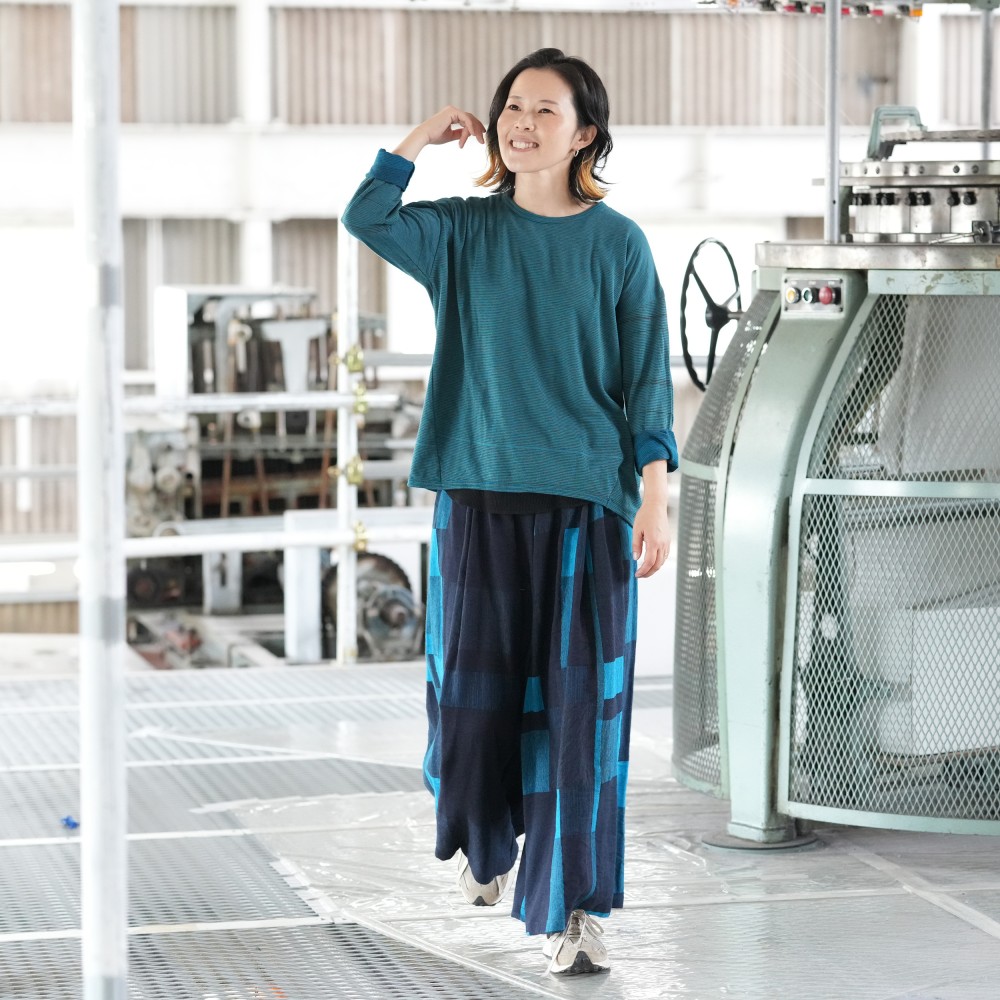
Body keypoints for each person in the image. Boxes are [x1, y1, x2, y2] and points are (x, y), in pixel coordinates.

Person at [342, 46, 678, 976]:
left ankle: (575, 912)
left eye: (545, 110)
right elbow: (367, 215)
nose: (523, 123)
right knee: (470, 709)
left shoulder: (618, 244)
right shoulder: (460, 231)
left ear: (585, 134)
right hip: (478, 497)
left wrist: (654, 498)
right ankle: (485, 837)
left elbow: (647, 379)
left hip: (587, 507)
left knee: (581, 724)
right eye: (512, 108)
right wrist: (420, 138)